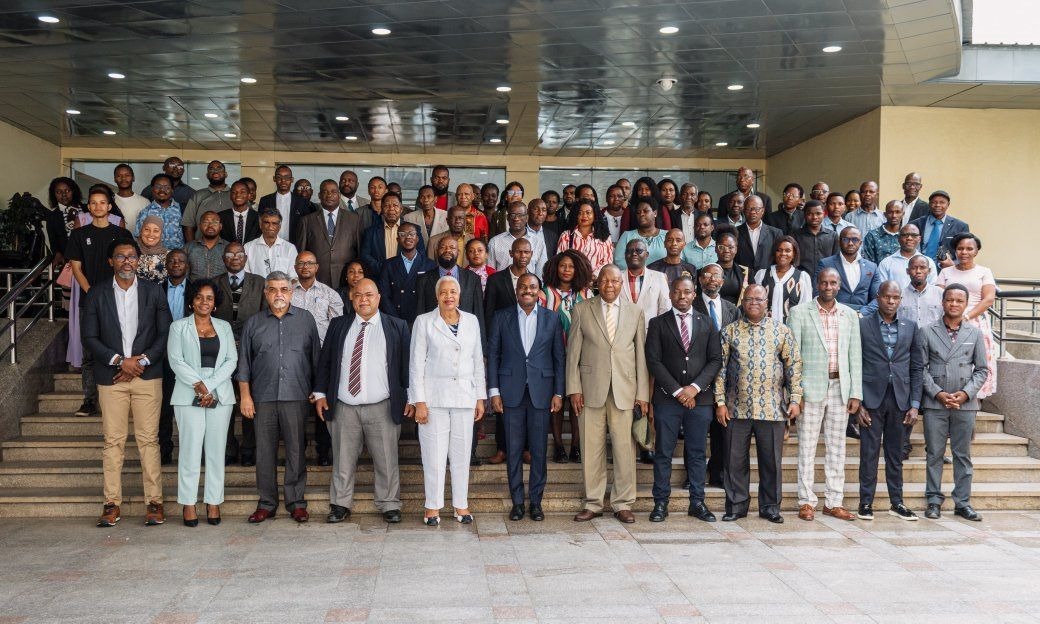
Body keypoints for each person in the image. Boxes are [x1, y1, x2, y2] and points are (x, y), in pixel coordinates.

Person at [82, 239, 172, 527]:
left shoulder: (153, 291)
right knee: (113, 441)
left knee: (149, 440)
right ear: (111, 261)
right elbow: (90, 337)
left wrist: (139, 363)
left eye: (131, 256)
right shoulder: (96, 294)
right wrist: (120, 361)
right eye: (120, 256)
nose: (127, 261)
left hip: (147, 376)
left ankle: (154, 503)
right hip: (112, 378)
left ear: (139, 260)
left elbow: (164, 333)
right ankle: (111, 504)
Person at [314, 278, 411, 524]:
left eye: (369, 295)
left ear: (378, 297)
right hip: (344, 406)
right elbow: (326, 362)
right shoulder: (338, 325)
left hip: (383, 406)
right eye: (358, 295)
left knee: (386, 459)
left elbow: (406, 366)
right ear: (351, 298)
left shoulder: (396, 325)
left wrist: (411, 397)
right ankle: (340, 504)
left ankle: (389, 503)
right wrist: (320, 394)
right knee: (342, 460)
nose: (363, 299)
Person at [567, 264, 649, 525]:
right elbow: (573, 354)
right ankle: (593, 502)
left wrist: (643, 394)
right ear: (597, 283)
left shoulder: (635, 312)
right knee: (591, 448)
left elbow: (641, 355)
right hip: (590, 390)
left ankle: (622, 503)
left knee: (625, 450)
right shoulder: (582, 309)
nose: (609, 285)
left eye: (614, 281)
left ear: (621, 284)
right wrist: (574, 388)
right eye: (604, 281)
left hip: (625, 391)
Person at [714, 284, 802, 523]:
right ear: (742, 302)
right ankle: (736, 506)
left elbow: (793, 366)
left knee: (771, 462)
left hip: (772, 408)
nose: (754, 302)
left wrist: (795, 399)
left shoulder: (781, 331)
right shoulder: (729, 331)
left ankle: (770, 507)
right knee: (734, 461)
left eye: (759, 299)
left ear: (767, 303)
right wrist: (720, 402)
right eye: (749, 298)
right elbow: (720, 369)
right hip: (736, 408)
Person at [239, 271, 321, 524]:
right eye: (273, 289)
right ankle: (267, 503)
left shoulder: (306, 320)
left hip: (296, 396)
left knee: (296, 450)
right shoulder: (253, 323)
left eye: (284, 289)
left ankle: (296, 503)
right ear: (265, 293)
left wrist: (318, 392)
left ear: (291, 293)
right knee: (264, 452)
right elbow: (244, 363)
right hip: (262, 397)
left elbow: (316, 359)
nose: (279, 294)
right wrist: (245, 396)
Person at [645, 275, 722, 523]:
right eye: (677, 291)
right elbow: (653, 361)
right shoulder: (658, 323)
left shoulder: (707, 323)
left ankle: (697, 502)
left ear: (694, 295)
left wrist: (695, 388)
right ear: (670, 294)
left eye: (687, 292)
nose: (682, 296)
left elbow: (715, 360)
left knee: (697, 453)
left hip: (700, 400)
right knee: (663, 452)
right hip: (667, 400)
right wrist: (678, 391)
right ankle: (660, 503)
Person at [787, 268, 862, 522]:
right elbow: (793, 357)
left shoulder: (849, 315)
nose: (828, 287)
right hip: (810, 389)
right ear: (817, 284)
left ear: (839, 285)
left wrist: (855, 392)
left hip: (841, 388)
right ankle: (806, 501)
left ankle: (834, 502)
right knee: (807, 447)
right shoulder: (799, 313)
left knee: (837, 448)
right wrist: (795, 394)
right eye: (824, 282)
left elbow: (855, 356)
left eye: (833, 283)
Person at [410, 276, 486, 525]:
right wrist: (419, 401)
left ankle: (461, 505)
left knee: (461, 455)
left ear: (459, 295)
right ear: (437, 296)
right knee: (434, 455)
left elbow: (477, 361)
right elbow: (416, 363)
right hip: (434, 399)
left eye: (453, 291)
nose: (449, 296)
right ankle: (432, 506)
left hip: (465, 396)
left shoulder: (471, 321)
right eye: (444, 292)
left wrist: (480, 397)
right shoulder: (424, 322)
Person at [488, 273, 565, 522]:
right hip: (510, 392)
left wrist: (559, 392)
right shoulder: (501, 317)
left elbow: (559, 358)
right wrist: (494, 391)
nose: (527, 290)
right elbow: (494, 355)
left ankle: (536, 503)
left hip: (541, 392)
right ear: (516, 291)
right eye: (523, 287)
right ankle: (518, 503)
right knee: (513, 449)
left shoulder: (552, 318)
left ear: (539, 291)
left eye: (532, 287)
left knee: (539, 450)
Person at [166, 279, 238, 527]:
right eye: (199, 297)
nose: (204, 302)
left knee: (216, 451)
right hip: (188, 394)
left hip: (220, 393)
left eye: (209, 298)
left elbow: (231, 360)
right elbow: (176, 360)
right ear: (191, 301)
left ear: (215, 303)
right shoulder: (178, 327)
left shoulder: (224, 327)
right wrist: (199, 385)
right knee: (190, 449)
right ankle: (188, 503)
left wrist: (209, 386)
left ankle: (213, 501)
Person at [920, 284, 989, 522]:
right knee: (934, 453)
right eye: (950, 300)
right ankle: (933, 500)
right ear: (943, 302)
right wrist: (938, 393)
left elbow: (982, 370)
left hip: (965, 404)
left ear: (966, 304)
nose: (954, 304)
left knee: (962, 454)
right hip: (935, 403)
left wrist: (966, 393)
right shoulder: (927, 331)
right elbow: (921, 368)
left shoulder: (974, 333)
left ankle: (963, 503)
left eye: (959, 301)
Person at [856, 281, 924, 521]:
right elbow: (855, 363)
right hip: (870, 399)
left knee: (896, 455)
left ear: (900, 300)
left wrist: (915, 404)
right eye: (887, 297)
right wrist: (858, 403)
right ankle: (865, 503)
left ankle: (897, 503)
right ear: (878, 297)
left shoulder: (911, 327)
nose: (891, 301)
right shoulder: (862, 325)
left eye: (896, 297)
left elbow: (917, 367)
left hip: (900, 400)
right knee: (869, 454)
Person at [66, 187, 134, 418]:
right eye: (93, 203)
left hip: (119, 300)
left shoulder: (121, 234)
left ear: (109, 206)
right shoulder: (79, 234)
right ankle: (89, 401)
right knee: (89, 353)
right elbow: (76, 268)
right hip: (89, 301)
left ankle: (118, 399)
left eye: (102, 202)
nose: (98, 206)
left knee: (119, 349)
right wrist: (92, 293)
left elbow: (127, 265)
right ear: (89, 207)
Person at [482, 238, 536, 465]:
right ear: (511, 253)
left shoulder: (534, 281)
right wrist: (488, 348)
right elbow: (488, 313)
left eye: (527, 252)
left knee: (528, 401)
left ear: (531, 254)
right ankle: (502, 448)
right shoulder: (496, 280)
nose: (523, 256)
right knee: (504, 401)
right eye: (519, 252)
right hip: (504, 349)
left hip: (528, 350)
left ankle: (526, 448)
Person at [213, 241, 267, 466]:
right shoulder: (214, 283)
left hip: (251, 350)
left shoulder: (260, 282)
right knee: (224, 401)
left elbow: (265, 317)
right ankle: (227, 448)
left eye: (239, 254)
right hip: (221, 352)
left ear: (245, 258)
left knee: (249, 399)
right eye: (229, 254)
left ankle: (248, 449)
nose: (234, 258)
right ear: (223, 259)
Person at [540, 249, 593, 464]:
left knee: (576, 401)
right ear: (555, 268)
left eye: (571, 266)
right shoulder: (545, 293)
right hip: (552, 355)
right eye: (563, 266)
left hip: (580, 355)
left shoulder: (586, 295)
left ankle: (576, 446)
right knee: (557, 400)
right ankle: (559, 446)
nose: (566, 270)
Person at [934, 233, 997, 398]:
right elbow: (938, 297)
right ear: (955, 250)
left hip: (975, 321)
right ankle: (948, 396)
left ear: (976, 251)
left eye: (969, 249)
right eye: (960, 248)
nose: (964, 252)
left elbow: (989, 299)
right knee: (950, 359)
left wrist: (966, 317)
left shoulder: (984, 271)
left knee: (977, 360)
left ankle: (975, 397)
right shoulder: (945, 272)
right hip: (949, 322)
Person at [694, 264, 739, 488]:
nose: (712, 279)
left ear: (723, 281)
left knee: (723, 429)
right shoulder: (691, 304)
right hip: (698, 375)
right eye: (707, 275)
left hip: (726, 378)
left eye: (717, 275)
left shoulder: (732, 309)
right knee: (697, 429)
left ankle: (718, 472)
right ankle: (694, 474)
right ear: (700, 279)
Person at [298, 179, 363, 287]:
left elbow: (360, 252)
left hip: (346, 278)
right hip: (317, 278)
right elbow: (301, 254)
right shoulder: (307, 221)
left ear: (339, 195)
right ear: (319, 195)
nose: (329, 195)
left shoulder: (354, 219)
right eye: (325, 192)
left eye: (333, 192)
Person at [159, 249, 191, 464]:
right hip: (163, 355)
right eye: (172, 261)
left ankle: (191, 453)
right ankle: (164, 450)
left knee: (190, 406)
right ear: (166, 265)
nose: (177, 264)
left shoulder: (197, 290)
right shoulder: (155, 290)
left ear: (187, 265)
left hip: (190, 356)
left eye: (181, 261)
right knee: (165, 406)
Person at [378, 222, 437, 325]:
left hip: (421, 320)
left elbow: (432, 297)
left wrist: (424, 319)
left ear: (417, 239)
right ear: (397, 240)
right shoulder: (388, 265)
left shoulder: (430, 265)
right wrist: (395, 320)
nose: (408, 237)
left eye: (412, 234)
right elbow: (384, 295)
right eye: (403, 234)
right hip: (395, 320)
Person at [361, 191, 425, 276]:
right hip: (380, 277)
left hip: (406, 277)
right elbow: (365, 256)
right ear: (382, 209)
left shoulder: (414, 229)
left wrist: (403, 268)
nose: (391, 209)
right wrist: (384, 269)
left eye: (395, 205)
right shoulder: (370, 232)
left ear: (401, 209)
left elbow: (421, 254)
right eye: (387, 205)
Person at [818, 227, 880, 312]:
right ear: (839, 242)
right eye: (846, 239)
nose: (850, 243)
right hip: (834, 313)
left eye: (855, 240)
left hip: (863, 315)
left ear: (860, 243)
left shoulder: (872, 267)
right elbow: (817, 292)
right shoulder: (826, 264)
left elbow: (877, 298)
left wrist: (862, 313)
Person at [754, 236, 813, 324]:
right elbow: (755, 305)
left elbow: (806, 310)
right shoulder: (762, 275)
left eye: (788, 251)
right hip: (765, 328)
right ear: (775, 252)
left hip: (792, 329)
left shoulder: (802, 277)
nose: (783, 253)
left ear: (794, 254)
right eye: (779, 250)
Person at [291, 251, 344, 345]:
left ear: (316, 267)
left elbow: (336, 328)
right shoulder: (286, 293)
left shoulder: (330, 294)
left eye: (310, 263)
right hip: (292, 347)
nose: (305, 266)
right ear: (295, 267)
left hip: (321, 348)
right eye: (301, 263)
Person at [257, 165, 315, 248]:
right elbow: (260, 225)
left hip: (295, 246)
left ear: (292, 180)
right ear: (274, 179)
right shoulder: (265, 200)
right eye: (279, 177)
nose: (283, 181)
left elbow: (306, 228)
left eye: (287, 177)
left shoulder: (302, 202)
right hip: (270, 245)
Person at [911, 190, 969, 269]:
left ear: (948, 204)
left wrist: (953, 265)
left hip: (947, 269)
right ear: (929, 204)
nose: (937, 205)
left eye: (942, 202)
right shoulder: (916, 224)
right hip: (919, 269)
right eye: (934, 202)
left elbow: (965, 252)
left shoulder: (960, 226)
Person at [556, 199, 614, 278]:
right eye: (580, 213)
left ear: (595, 215)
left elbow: (607, 262)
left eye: (588, 212)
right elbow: (560, 260)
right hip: (572, 281)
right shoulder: (566, 236)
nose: (584, 216)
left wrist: (594, 276)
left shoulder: (604, 237)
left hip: (596, 281)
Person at [487, 200, 547, 276]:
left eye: (520, 215)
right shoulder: (495, 242)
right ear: (507, 218)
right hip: (502, 283)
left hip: (530, 283)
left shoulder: (538, 242)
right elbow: (490, 272)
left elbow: (541, 274)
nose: (516, 219)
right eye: (513, 215)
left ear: (527, 218)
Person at [181, 161, 231, 242]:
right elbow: (188, 224)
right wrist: (191, 247)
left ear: (226, 174)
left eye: (219, 168)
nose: (215, 171)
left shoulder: (235, 195)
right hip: (202, 246)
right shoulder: (197, 195)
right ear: (207, 175)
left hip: (231, 247)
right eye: (211, 169)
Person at [244, 208, 299, 280]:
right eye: (267, 223)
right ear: (260, 225)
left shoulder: (289, 248)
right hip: (256, 287)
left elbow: (293, 277)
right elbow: (246, 276)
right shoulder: (248, 247)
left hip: (282, 287)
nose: (270, 227)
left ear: (279, 227)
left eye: (274, 223)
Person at [877, 224, 936, 289]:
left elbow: (932, 288)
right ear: (898, 238)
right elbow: (882, 289)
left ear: (919, 239)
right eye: (905, 235)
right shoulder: (886, 263)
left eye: (914, 235)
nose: (909, 238)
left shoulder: (928, 262)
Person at [134, 174, 183, 250]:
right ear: (152, 189)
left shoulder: (181, 209)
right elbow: (139, 237)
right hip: (154, 255)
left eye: (166, 187)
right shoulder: (145, 212)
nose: (162, 190)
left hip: (177, 255)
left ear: (172, 190)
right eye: (158, 186)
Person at [791, 200, 838, 280]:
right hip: (801, 279)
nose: (814, 217)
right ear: (804, 215)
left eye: (818, 213)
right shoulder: (795, 235)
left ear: (824, 214)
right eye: (810, 214)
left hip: (826, 279)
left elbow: (836, 260)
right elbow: (793, 260)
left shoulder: (833, 235)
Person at [614, 198, 667, 267]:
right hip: (632, 273)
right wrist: (639, 271)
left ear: (655, 213)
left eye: (645, 211)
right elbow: (619, 260)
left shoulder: (667, 235)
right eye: (638, 212)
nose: (641, 214)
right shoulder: (627, 236)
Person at [735, 195, 782, 274]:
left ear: (762, 211)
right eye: (749, 209)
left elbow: (779, 258)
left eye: (756, 209)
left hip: (768, 277)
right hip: (742, 277)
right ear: (743, 210)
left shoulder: (775, 233)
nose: (752, 212)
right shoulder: (735, 232)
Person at [184, 211, 228, 282]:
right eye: (205, 222)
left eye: (214, 222)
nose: (210, 226)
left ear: (220, 226)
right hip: (194, 288)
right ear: (200, 226)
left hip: (221, 288)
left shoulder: (228, 248)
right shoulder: (188, 248)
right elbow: (184, 275)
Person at [217, 180, 260, 245]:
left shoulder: (258, 217)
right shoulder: (220, 217)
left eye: (242, 192)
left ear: (249, 195)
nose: (238, 195)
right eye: (234, 192)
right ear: (230, 196)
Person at [715, 230, 749, 306]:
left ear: (736, 250)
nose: (726, 250)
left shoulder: (747, 272)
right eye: (721, 247)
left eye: (730, 247)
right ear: (716, 249)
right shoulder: (706, 272)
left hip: (739, 312)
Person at [134, 215, 169, 284]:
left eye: (156, 231)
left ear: (161, 234)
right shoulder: (131, 252)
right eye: (147, 229)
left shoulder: (169, 256)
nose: (151, 234)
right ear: (141, 231)